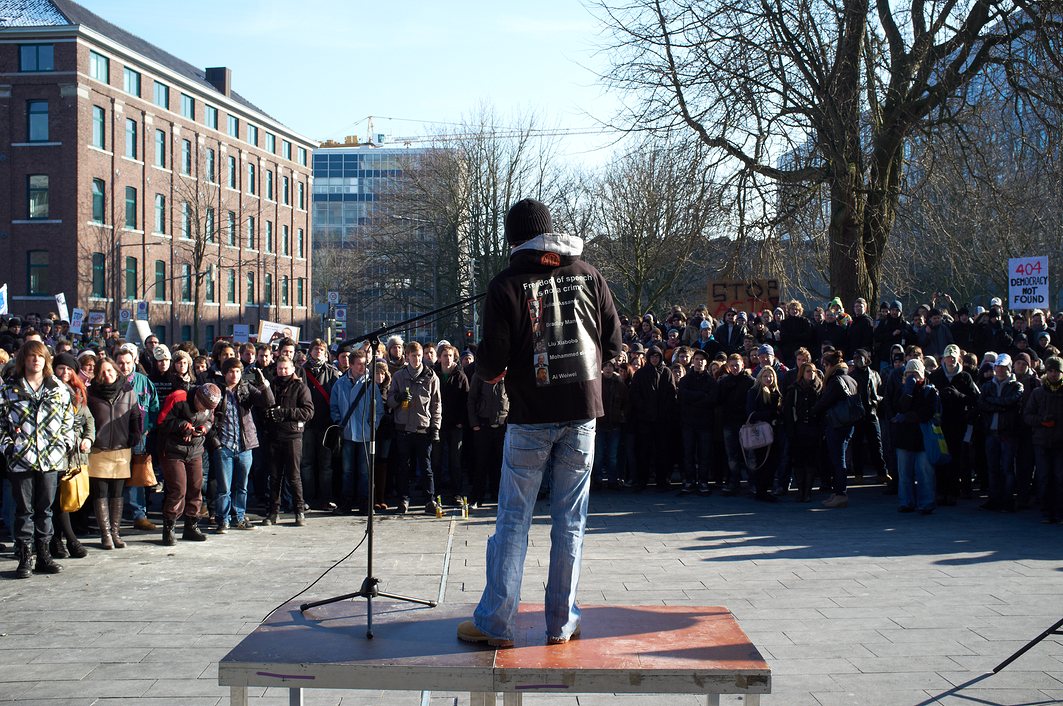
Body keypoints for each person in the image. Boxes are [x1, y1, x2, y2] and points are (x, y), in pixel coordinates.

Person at [458, 198, 621, 648]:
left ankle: (495, 624)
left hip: (531, 418)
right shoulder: (589, 275)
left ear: (514, 238)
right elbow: (614, 342)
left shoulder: (506, 284)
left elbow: (491, 365)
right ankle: (561, 624)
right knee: (570, 521)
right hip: (583, 414)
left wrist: (486, 366)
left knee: (513, 519)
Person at [0, 341, 77, 578]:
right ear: (24, 359)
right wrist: (9, 447)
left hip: (51, 458)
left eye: (41, 357)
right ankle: (25, 557)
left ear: (46, 361)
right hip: (22, 458)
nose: (36, 360)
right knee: (24, 511)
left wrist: (64, 444)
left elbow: (68, 420)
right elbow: (1, 424)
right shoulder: (9, 390)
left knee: (46, 509)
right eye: (32, 356)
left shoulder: (58, 389)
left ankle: (44, 555)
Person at [206, 359, 274, 532]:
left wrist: (263, 384)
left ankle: (240, 517)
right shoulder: (217, 389)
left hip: (245, 445)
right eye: (230, 371)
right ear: (224, 373)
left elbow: (268, 402)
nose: (234, 375)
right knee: (224, 488)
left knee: (242, 486)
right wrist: (216, 441)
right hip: (224, 445)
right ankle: (223, 519)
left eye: (237, 371)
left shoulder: (246, 388)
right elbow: (208, 417)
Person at [86, 356, 143, 550]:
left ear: (116, 371)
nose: (107, 375)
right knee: (100, 493)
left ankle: (116, 532)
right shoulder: (90, 393)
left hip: (121, 448)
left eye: (110, 371)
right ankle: (105, 534)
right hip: (98, 449)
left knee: (118, 493)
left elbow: (136, 416)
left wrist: (135, 434)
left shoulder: (128, 391)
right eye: (102, 372)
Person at [156, 384, 220, 544]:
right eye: (203, 405)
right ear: (197, 396)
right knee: (178, 489)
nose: (203, 409)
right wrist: (184, 426)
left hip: (196, 450)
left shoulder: (209, 406)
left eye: (208, 407)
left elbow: (211, 421)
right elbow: (162, 421)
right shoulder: (179, 397)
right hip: (172, 450)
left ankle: (191, 526)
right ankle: (169, 528)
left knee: (196, 487)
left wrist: (203, 429)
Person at [387, 340, 443, 514]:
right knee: (403, 467)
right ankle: (403, 499)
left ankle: (429, 499)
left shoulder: (431, 377)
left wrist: (435, 427)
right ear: (407, 356)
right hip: (403, 428)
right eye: (413, 356)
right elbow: (389, 401)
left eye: (419, 356)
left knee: (426, 467)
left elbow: (436, 405)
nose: (417, 359)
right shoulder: (398, 376)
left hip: (422, 428)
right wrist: (398, 398)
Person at [49, 353, 95, 560]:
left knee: (68, 497)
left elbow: (89, 420)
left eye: (69, 369)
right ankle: (68, 540)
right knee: (58, 500)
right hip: (56, 452)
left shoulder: (78, 391)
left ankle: (59, 541)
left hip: (76, 454)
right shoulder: (50, 389)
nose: (65, 373)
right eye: (61, 368)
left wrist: (89, 438)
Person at [329, 348, 382, 514]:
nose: (362, 367)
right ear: (350, 365)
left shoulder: (371, 384)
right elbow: (334, 406)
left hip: (365, 435)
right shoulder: (340, 384)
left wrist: (372, 426)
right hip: (347, 434)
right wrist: (339, 422)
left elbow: (378, 410)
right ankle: (346, 504)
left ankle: (365, 504)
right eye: (358, 364)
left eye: (364, 364)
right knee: (347, 471)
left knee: (365, 472)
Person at [263, 357, 314, 526]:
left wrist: (285, 413)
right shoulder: (272, 386)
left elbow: (308, 412)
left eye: (285, 368)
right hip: (273, 435)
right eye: (279, 369)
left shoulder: (300, 387)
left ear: (292, 369)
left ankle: (299, 510)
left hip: (292, 436)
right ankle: (273, 512)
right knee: (274, 477)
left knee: (293, 476)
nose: (282, 372)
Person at [813, 350, 862, 508]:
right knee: (839, 457)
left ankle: (841, 493)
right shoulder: (850, 378)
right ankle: (837, 491)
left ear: (829, 365)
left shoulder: (836, 381)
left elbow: (825, 402)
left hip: (837, 424)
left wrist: (811, 411)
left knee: (838, 460)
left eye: (825, 365)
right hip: (848, 423)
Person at [893, 359, 941, 514]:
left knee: (924, 472)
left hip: (923, 438)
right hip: (904, 438)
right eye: (908, 373)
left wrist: (907, 416)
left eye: (915, 373)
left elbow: (927, 413)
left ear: (921, 374)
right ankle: (906, 502)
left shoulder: (930, 391)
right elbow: (898, 408)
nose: (911, 376)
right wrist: (908, 391)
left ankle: (926, 503)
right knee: (904, 474)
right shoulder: (902, 390)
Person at [301, 339, 340, 510]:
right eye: (316, 349)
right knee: (307, 463)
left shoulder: (332, 372)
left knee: (326, 464)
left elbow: (336, 397)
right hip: (307, 424)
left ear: (326, 353)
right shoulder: (301, 371)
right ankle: (308, 498)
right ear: (310, 351)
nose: (318, 352)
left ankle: (326, 498)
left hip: (326, 424)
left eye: (322, 349)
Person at [1024, 356, 1063, 523]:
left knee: (1060, 477)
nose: (1054, 374)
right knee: (1044, 476)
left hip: (1061, 442)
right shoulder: (1038, 392)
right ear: (1046, 371)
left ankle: (1060, 512)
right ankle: (1047, 511)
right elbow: (1027, 416)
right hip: (1041, 441)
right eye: (1051, 371)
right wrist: (1041, 420)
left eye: (1057, 371)